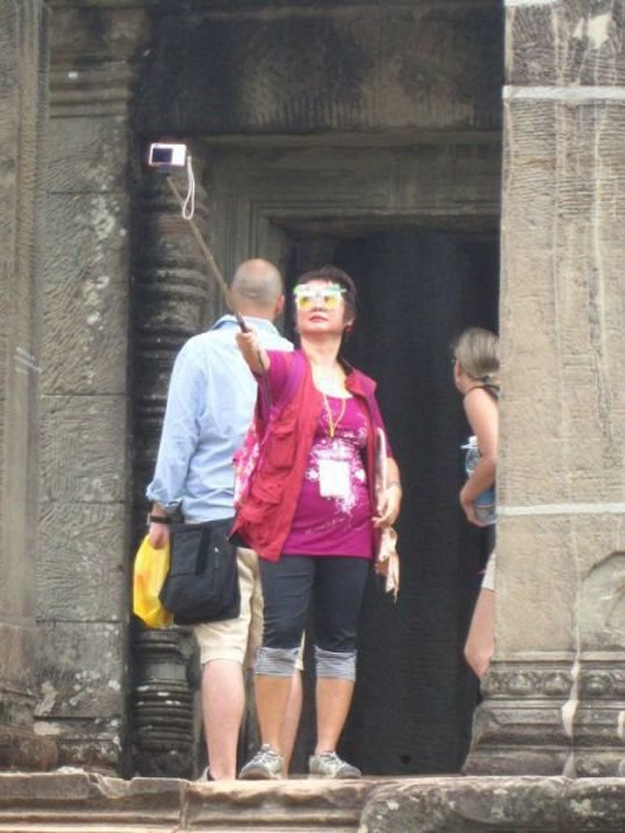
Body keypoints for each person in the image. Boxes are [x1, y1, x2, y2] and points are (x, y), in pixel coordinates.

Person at [233, 265, 402, 780]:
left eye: (330, 297)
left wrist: (393, 493)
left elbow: (383, 454)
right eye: (306, 296)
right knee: (281, 632)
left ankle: (325, 752)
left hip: (350, 533)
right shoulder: (285, 368)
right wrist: (252, 349)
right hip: (289, 530)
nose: (318, 304)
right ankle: (269, 749)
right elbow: (261, 363)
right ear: (294, 312)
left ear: (349, 317)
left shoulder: (362, 388)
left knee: (338, 639)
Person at [146, 259, 303, 780]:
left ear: (230, 300)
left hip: (217, 519)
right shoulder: (296, 361)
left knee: (222, 650)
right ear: (280, 306)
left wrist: (162, 509)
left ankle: (224, 777)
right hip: (286, 528)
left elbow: (179, 436)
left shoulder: (200, 351)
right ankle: (277, 771)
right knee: (282, 653)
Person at [452, 326, 499, 679]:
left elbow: (494, 456)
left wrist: (466, 495)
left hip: (515, 540)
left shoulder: (477, 395)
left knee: (479, 650)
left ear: (460, 367)